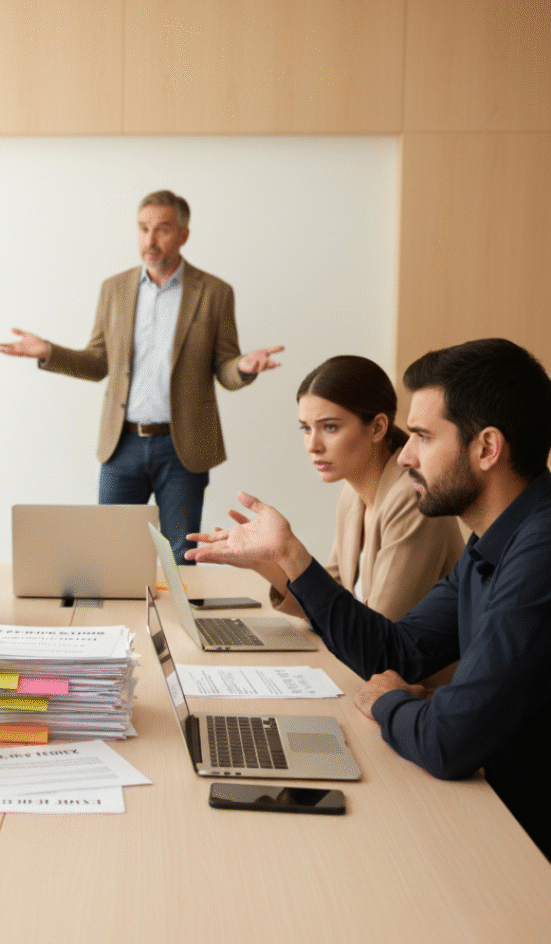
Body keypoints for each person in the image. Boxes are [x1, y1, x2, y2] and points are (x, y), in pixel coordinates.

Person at [186, 338, 551, 857]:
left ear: (487, 448)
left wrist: (386, 701)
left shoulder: (540, 553)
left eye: (423, 436)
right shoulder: (489, 543)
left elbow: (449, 740)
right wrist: (288, 554)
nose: (406, 454)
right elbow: (396, 650)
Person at [0, 189, 283, 562]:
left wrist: (243, 367)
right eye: (143, 228)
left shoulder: (214, 292)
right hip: (122, 445)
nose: (151, 240)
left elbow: (225, 366)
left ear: (183, 235)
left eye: (162, 229)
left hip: (182, 448)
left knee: (180, 557)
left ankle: (175, 604)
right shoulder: (114, 289)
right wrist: (49, 352)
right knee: (112, 556)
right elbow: (98, 363)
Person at [260, 355, 463, 624]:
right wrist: (263, 562)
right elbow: (328, 597)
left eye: (329, 427)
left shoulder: (412, 497)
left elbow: (379, 629)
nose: (312, 445)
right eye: (306, 429)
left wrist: (288, 550)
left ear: (378, 427)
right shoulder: (350, 494)